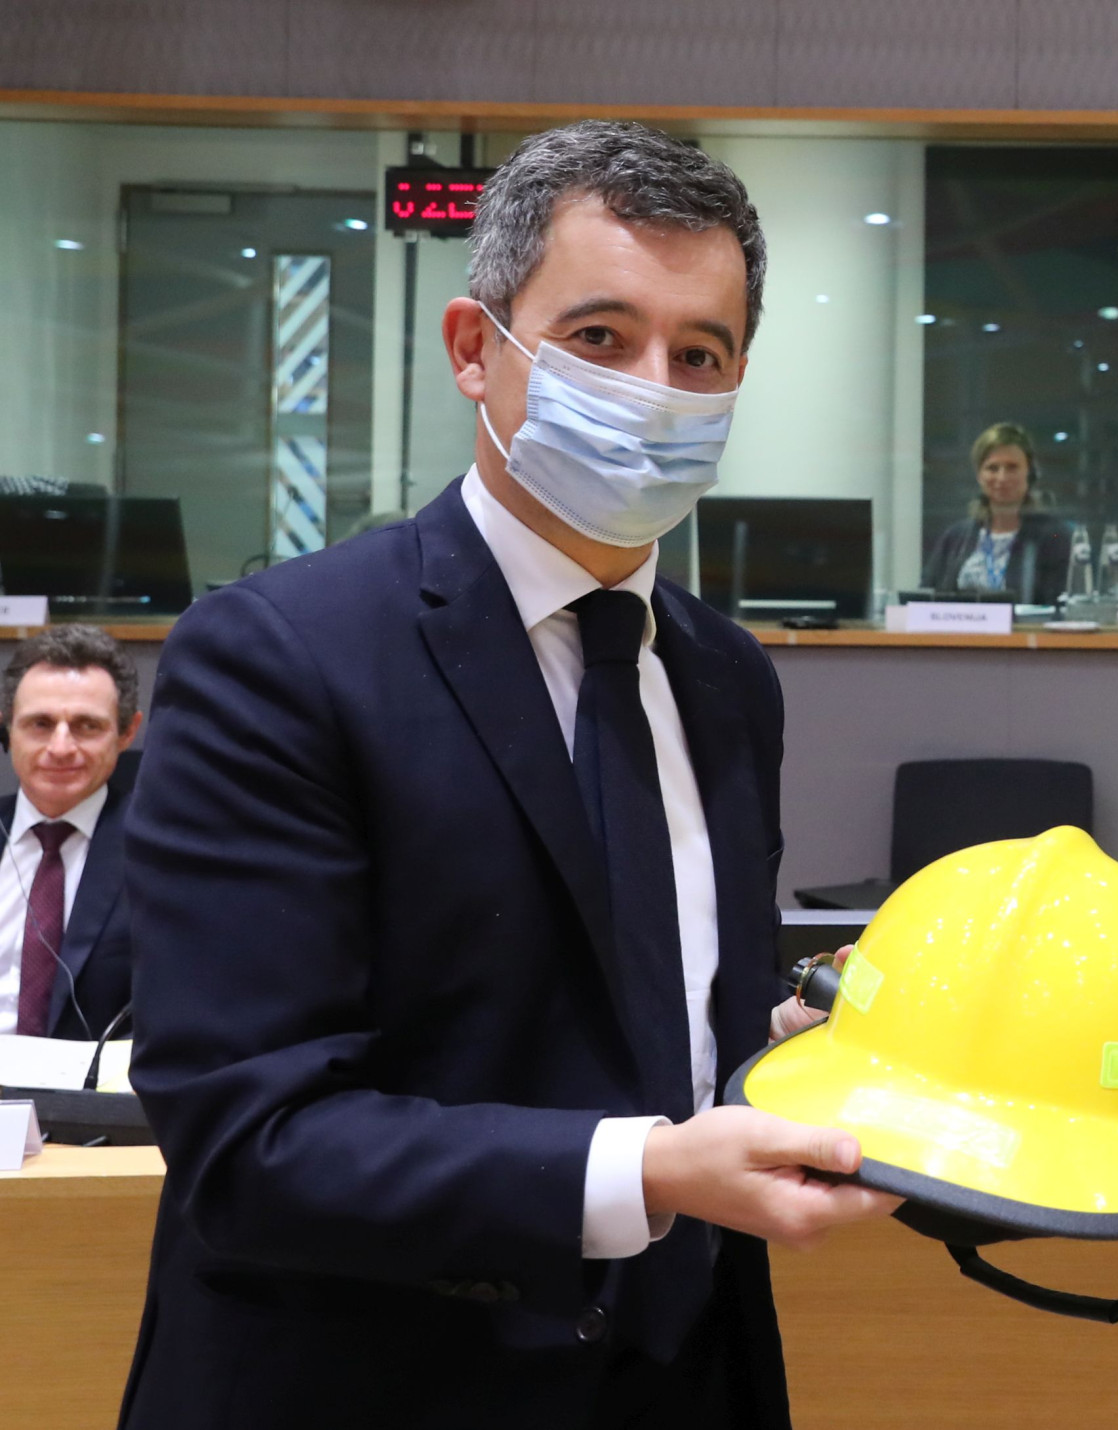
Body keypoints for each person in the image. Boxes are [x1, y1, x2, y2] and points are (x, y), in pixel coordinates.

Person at [120, 122, 897, 1430]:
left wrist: (781, 1055)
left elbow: (644, 1005)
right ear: (475, 349)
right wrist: (650, 1169)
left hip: (684, 1375)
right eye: (600, 337)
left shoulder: (724, 675)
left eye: (699, 355)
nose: (654, 388)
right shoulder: (280, 655)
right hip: (373, 1386)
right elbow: (251, 1139)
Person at [0, 625, 139, 1042]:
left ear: (127, 733)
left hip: (90, 1082)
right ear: (7, 726)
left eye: (86, 726)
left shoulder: (163, 848)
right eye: (40, 724)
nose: (60, 748)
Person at [920, 422, 1074, 604]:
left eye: (1012, 467)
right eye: (992, 468)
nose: (1002, 478)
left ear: (1030, 473)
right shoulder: (956, 537)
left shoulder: (1055, 537)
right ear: (979, 475)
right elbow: (925, 600)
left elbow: (1063, 607)